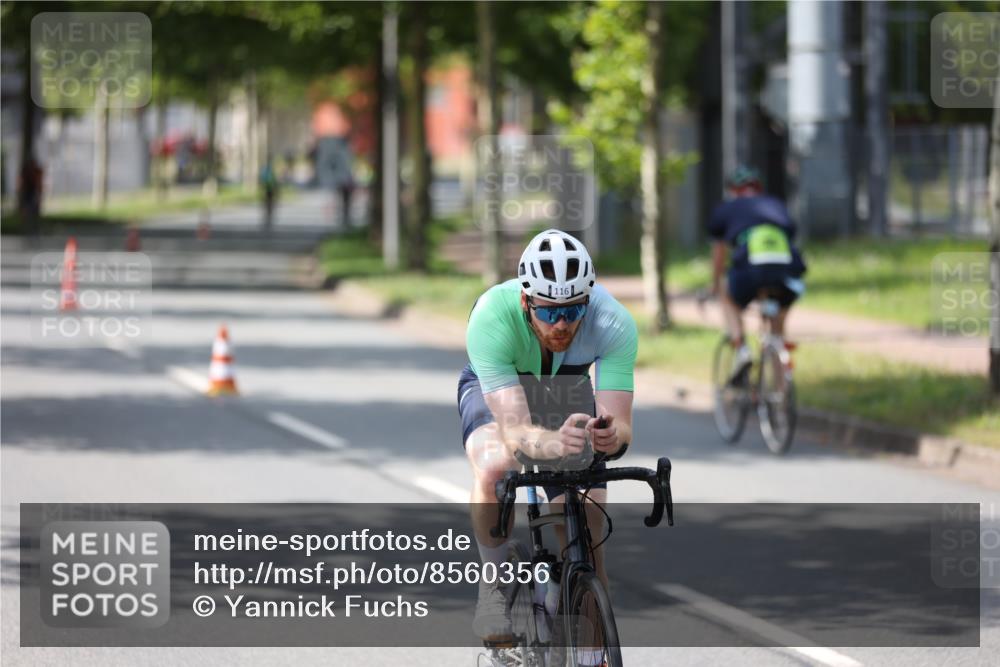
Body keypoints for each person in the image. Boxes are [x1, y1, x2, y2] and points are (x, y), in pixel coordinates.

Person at [457, 229, 638, 642]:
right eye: (549, 311)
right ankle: (493, 592)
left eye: (573, 311)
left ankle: (592, 640)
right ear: (526, 300)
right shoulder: (492, 316)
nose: (561, 324)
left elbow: (622, 423)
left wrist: (612, 436)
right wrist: (551, 443)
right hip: (502, 387)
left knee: (588, 520)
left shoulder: (613, 322)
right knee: (495, 464)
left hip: (566, 387)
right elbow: (517, 429)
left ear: (587, 301)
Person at [708, 166, 807, 372]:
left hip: (750, 272)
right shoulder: (775, 204)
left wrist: (714, 285)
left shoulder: (727, 208)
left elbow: (719, 256)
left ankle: (741, 347)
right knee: (777, 331)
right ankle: (782, 391)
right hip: (788, 273)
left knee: (725, 291)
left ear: (732, 190)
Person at [259, 157, 279, 233]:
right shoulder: (269, 171)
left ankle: (268, 217)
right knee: (268, 204)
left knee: (268, 204)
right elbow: (274, 181)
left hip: (268, 189)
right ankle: (268, 217)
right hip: (269, 189)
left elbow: (262, 180)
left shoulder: (266, 170)